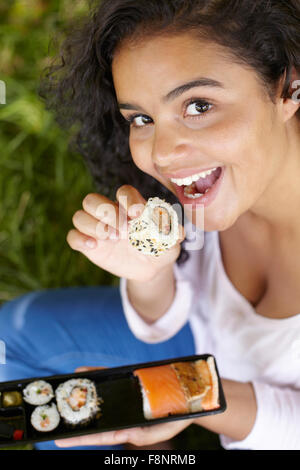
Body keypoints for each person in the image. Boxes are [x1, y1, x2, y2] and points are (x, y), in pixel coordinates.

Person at [1, 0, 300, 450]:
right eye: (141, 118)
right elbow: (180, 313)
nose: (160, 154)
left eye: (198, 105)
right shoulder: (212, 190)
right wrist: (151, 274)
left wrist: (196, 396)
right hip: (199, 354)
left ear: (289, 88)